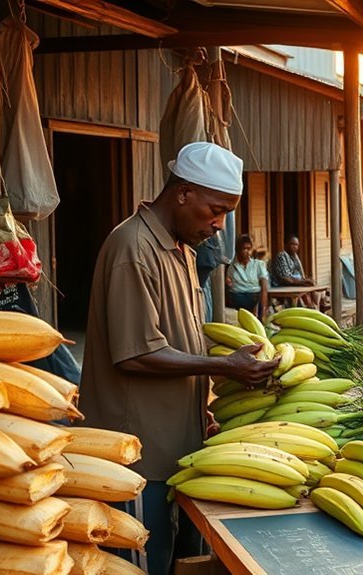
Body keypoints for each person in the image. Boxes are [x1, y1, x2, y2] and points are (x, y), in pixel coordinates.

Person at [78, 142, 280, 574]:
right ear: (183, 192)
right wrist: (225, 367)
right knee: (139, 565)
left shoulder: (183, 250)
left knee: (177, 562)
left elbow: (183, 340)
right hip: (137, 455)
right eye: (216, 209)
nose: (220, 225)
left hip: (180, 447)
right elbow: (136, 354)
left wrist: (204, 405)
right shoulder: (132, 247)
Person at [272, 235, 321, 309]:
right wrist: (302, 282)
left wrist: (305, 280)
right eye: (292, 244)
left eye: (296, 245)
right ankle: (310, 307)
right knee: (305, 289)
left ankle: (314, 307)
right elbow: (285, 278)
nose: (295, 247)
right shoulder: (281, 256)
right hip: (281, 284)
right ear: (286, 245)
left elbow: (300, 272)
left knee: (312, 287)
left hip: (292, 282)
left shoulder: (293, 256)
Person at [226, 234, 269, 318]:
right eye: (244, 249)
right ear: (238, 250)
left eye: (249, 249)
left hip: (254, 296)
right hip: (237, 298)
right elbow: (228, 284)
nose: (247, 252)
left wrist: (264, 308)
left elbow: (264, 286)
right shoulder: (232, 266)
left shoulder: (258, 264)